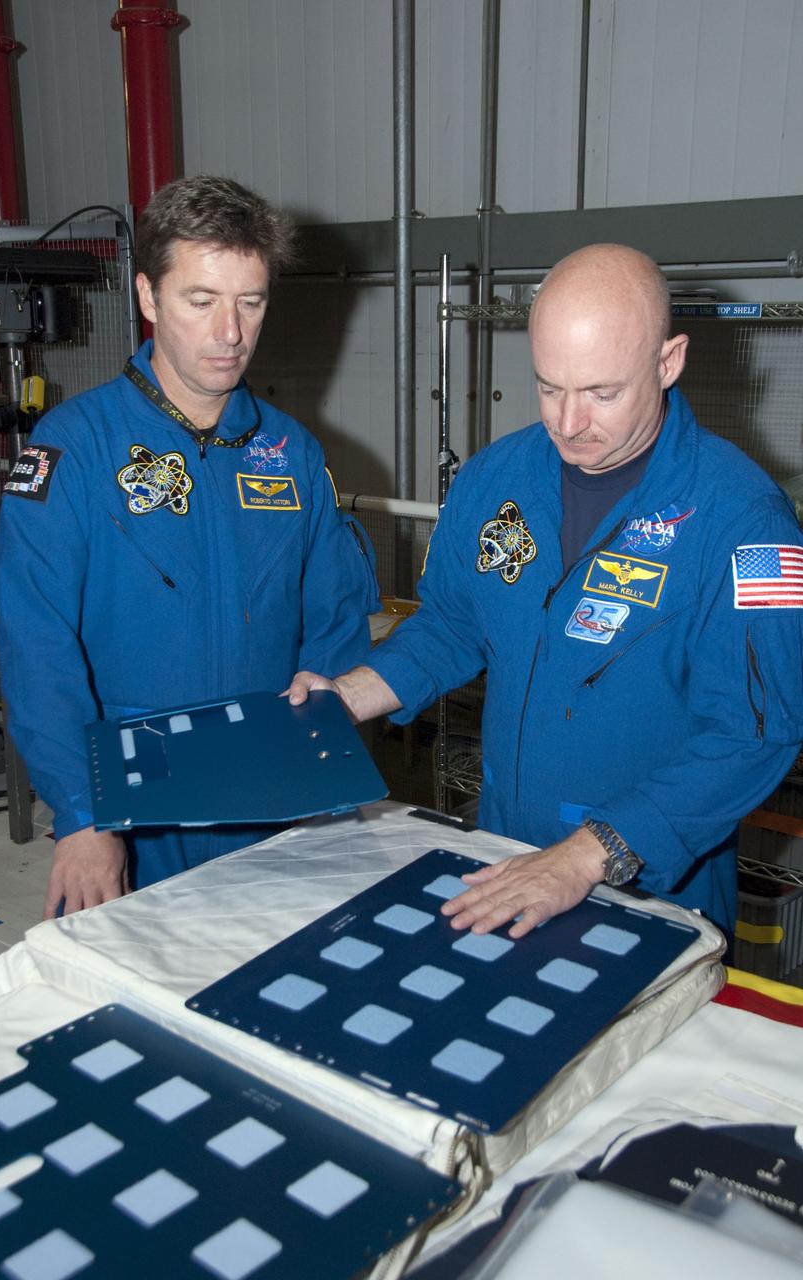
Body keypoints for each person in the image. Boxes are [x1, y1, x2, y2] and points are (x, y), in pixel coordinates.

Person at [290, 243, 803, 942]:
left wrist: (591, 856)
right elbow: (451, 626)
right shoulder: (494, 480)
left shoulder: (745, 522)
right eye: (549, 387)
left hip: (653, 889)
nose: (567, 423)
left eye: (602, 393)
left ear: (669, 361)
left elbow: (755, 733)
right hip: (505, 861)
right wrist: (345, 698)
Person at [0, 175, 378, 918]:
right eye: (200, 301)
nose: (229, 332)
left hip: (274, 797)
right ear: (147, 297)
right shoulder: (73, 450)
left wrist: (319, 746)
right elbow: (36, 646)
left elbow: (335, 616)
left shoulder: (291, 454)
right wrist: (83, 814)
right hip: (137, 813)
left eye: (251, 302)